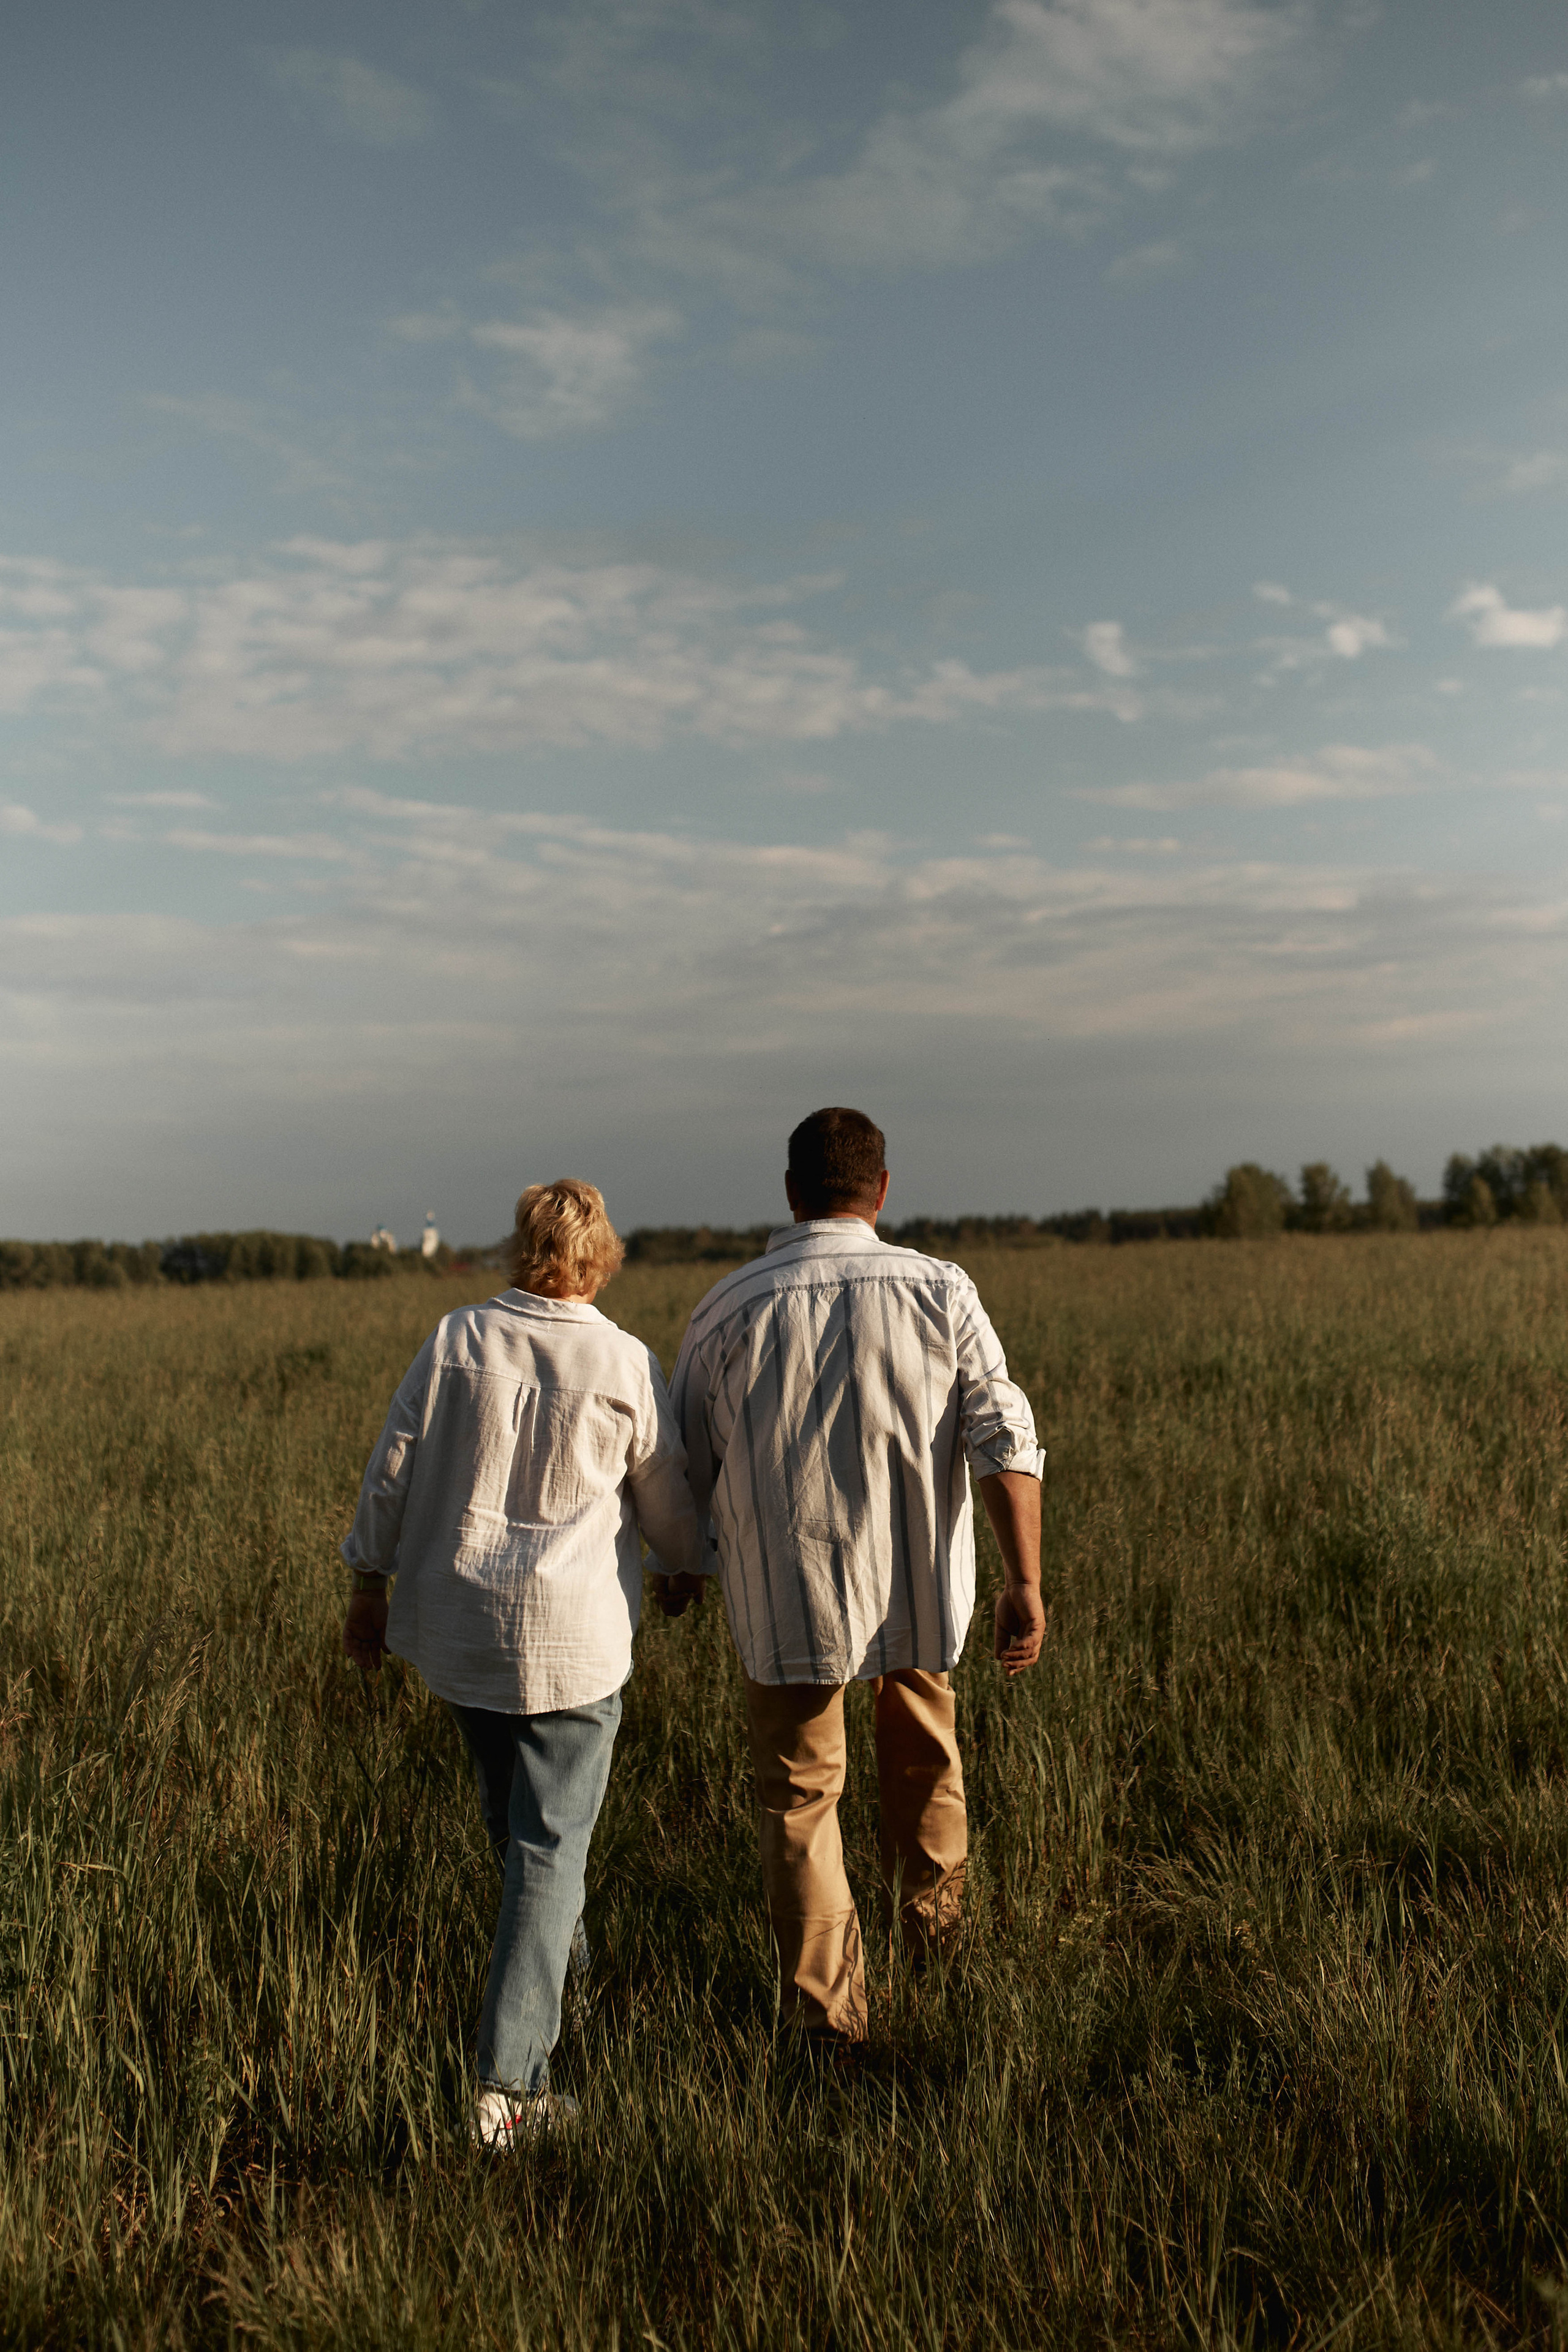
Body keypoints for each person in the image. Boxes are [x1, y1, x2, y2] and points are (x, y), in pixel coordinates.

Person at [664, 1106, 1046, 2047]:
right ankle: (942, 1956)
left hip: (784, 1596)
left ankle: (832, 2025)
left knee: (801, 1804)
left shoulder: (726, 1308)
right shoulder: (943, 1292)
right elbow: (1003, 1434)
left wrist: (680, 1570)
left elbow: (685, 1472)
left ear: (792, 1194)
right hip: (915, 1586)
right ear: (881, 1191)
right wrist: (1023, 1578)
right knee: (928, 1766)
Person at [340, 1178, 704, 2149]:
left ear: (522, 1246)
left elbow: (394, 1464)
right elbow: (666, 1497)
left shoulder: (459, 1338)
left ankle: (560, 1989)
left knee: (520, 1835)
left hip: (464, 1634)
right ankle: (508, 2091)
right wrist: (681, 1567)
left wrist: (367, 1583)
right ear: (600, 1259)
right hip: (573, 1645)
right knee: (548, 1849)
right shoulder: (624, 1358)